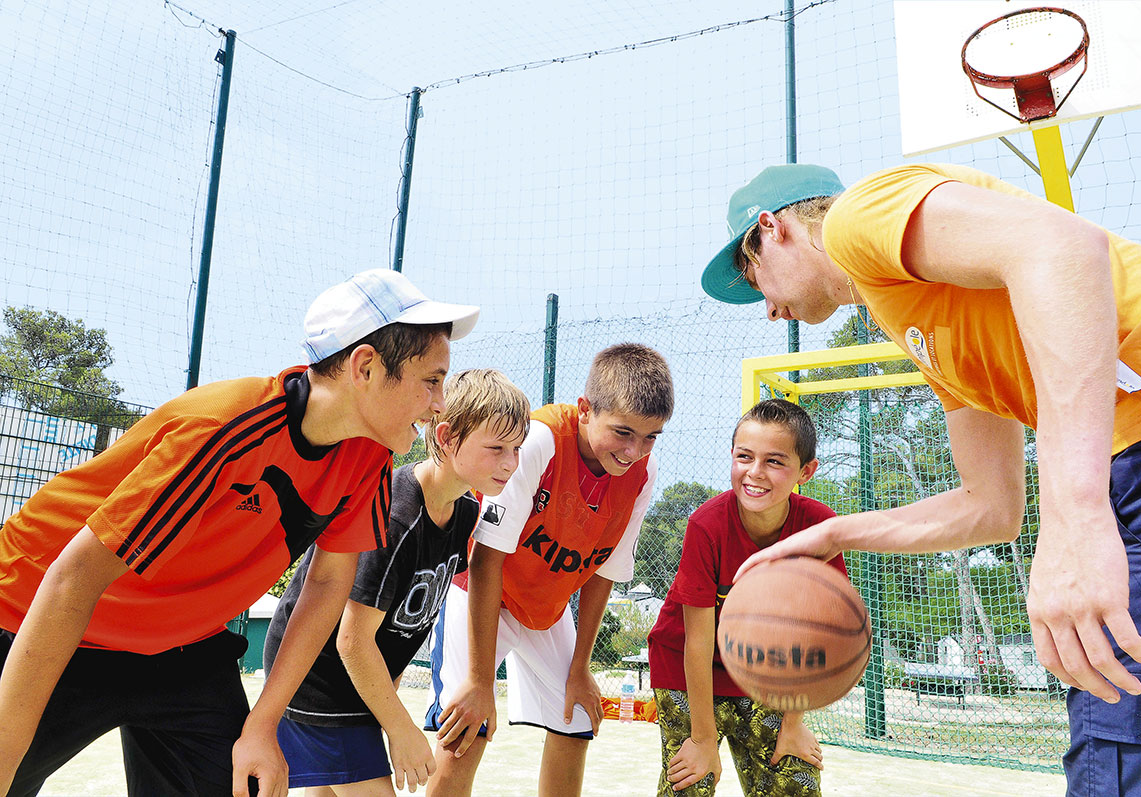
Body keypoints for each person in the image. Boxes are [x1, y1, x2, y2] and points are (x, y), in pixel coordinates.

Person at [701, 162, 1141, 794]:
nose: (767, 309)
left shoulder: (856, 220)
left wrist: (1075, 513)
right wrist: (835, 536)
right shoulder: (913, 314)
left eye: (753, 277)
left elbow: (1063, 245)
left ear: (773, 229)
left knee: (1132, 737)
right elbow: (990, 506)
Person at [0, 268, 478, 797]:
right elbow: (73, 578)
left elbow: (325, 586)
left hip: (181, 645)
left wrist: (262, 725)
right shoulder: (227, 426)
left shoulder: (368, 458)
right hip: (41, 614)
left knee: (240, 784)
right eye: (431, 380)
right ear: (365, 366)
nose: (440, 402)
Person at [423, 343, 675, 797]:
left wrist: (580, 667)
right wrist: (481, 682)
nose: (635, 450)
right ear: (584, 410)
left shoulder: (642, 472)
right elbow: (486, 558)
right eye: (622, 431)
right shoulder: (539, 440)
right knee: (467, 731)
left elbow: (605, 573)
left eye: (651, 436)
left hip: (545, 608)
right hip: (480, 594)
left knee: (576, 719)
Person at [263, 368, 529, 796]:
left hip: (354, 684)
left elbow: (400, 628)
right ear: (444, 437)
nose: (511, 463)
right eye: (496, 448)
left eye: (516, 448)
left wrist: (385, 708)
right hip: (317, 681)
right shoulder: (395, 514)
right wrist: (399, 728)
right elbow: (352, 639)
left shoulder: (463, 513)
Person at [648, 398, 843, 797]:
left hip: (763, 673)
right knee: (691, 781)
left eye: (774, 461)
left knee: (794, 780)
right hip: (687, 669)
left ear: (806, 471)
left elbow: (812, 636)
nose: (755, 473)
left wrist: (793, 724)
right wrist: (703, 740)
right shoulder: (707, 525)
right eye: (744, 457)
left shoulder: (820, 528)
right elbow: (698, 643)